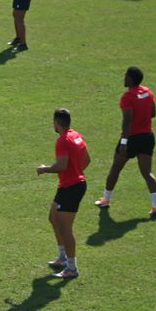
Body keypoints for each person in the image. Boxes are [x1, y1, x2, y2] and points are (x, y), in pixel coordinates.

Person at [96, 66, 156, 218]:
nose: (124, 78)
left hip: (131, 138)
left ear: (131, 79)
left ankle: (106, 200)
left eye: (126, 76)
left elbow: (127, 120)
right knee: (147, 173)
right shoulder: (148, 92)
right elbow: (153, 113)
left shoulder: (128, 97)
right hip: (147, 137)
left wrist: (124, 142)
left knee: (116, 168)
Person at [36, 108, 91, 279]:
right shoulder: (76, 135)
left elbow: (62, 165)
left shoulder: (62, 141)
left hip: (72, 187)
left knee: (65, 228)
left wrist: (45, 169)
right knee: (53, 218)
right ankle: (63, 257)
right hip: (69, 185)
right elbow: (87, 159)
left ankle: (72, 268)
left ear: (57, 123)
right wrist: (76, 172)